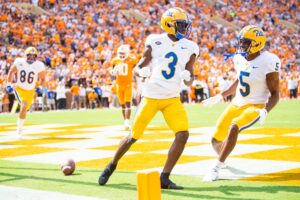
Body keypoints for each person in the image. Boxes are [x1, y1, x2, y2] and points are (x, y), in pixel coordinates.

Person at [98, 7, 199, 189]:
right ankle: (111, 164)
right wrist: (140, 71)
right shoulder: (155, 41)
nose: (185, 29)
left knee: (183, 134)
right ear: (169, 25)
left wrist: (188, 77)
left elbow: (191, 78)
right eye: (181, 25)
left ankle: (164, 177)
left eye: (185, 25)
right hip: (151, 96)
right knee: (133, 136)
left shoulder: (191, 47)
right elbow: (138, 66)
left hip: (171, 98)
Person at [202, 25, 281, 181]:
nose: (242, 45)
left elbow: (275, 94)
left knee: (234, 126)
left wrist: (265, 110)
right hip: (237, 103)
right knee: (215, 139)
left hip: (256, 105)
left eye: (246, 43)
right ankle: (223, 157)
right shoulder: (239, 57)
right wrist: (221, 95)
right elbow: (240, 79)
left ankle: (216, 167)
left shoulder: (268, 61)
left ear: (258, 43)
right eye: (242, 42)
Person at [6, 47, 46, 137]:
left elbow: (43, 78)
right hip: (19, 87)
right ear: (25, 55)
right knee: (23, 106)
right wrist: (8, 84)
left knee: (25, 109)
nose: (31, 58)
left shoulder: (39, 65)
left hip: (30, 90)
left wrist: (40, 86)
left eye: (33, 56)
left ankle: (20, 126)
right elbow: (11, 72)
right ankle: (19, 130)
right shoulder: (19, 62)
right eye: (29, 56)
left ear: (36, 57)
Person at [110, 44, 138, 130]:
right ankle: (125, 121)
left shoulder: (132, 59)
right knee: (122, 105)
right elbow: (112, 72)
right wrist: (112, 73)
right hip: (119, 85)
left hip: (128, 84)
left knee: (127, 103)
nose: (122, 54)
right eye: (120, 53)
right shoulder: (115, 60)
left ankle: (127, 122)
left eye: (123, 53)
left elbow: (136, 68)